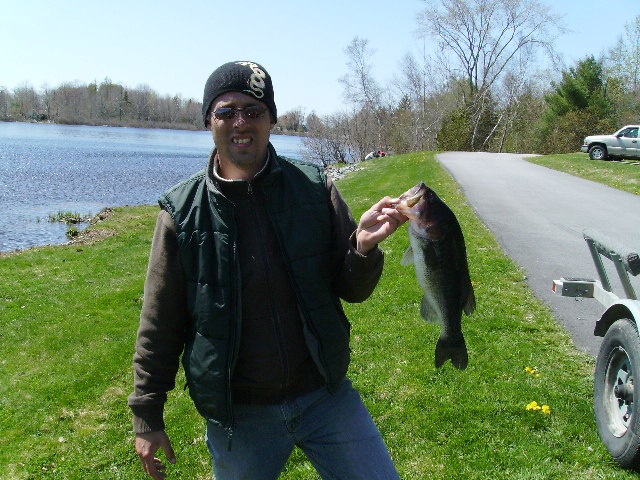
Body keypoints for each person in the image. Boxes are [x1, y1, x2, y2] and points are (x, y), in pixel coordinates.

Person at [128, 60, 406, 480]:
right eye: (226, 111)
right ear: (210, 122)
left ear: (272, 119)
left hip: (324, 397)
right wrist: (147, 414)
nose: (240, 122)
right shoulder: (181, 214)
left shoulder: (314, 188)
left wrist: (363, 248)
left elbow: (351, 288)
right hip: (241, 416)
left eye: (254, 110)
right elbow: (160, 320)